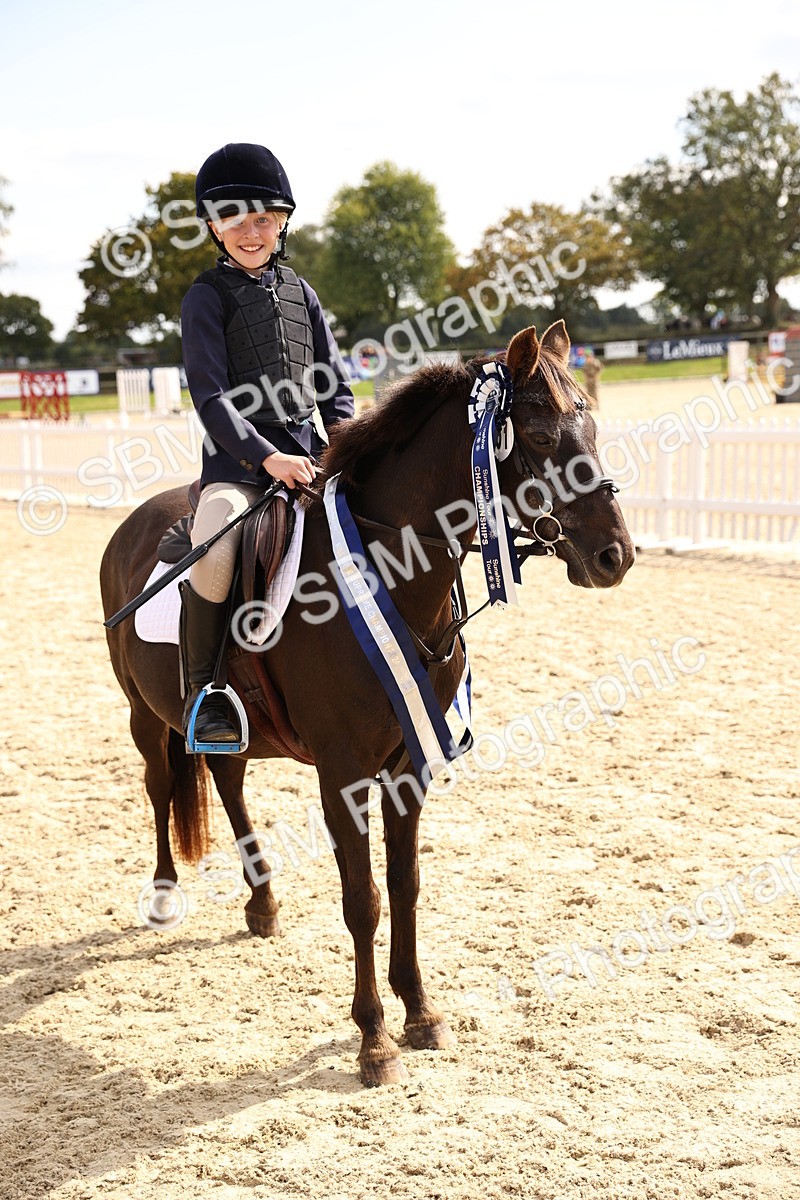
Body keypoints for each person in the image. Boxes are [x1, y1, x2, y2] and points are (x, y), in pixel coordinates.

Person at [179, 143, 354, 747]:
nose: (251, 232)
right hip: (240, 469)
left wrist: (344, 443)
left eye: (263, 219)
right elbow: (211, 397)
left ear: (282, 222)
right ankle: (204, 695)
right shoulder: (206, 296)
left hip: (312, 459)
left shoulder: (302, 292)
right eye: (236, 220)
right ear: (213, 226)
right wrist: (267, 456)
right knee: (218, 544)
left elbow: (333, 383)